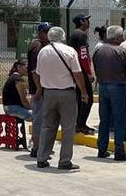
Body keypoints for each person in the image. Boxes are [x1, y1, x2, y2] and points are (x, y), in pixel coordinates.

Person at [33, 26, 89, 171]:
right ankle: (64, 161)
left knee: (47, 126)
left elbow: (37, 73)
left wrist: (40, 88)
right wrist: (83, 91)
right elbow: (77, 74)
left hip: (49, 93)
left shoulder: (43, 52)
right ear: (63, 37)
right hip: (67, 93)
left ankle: (42, 158)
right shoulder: (70, 51)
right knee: (68, 128)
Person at [93, 25, 126, 161]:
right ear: (117, 38)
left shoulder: (99, 51)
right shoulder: (121, 52)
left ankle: (102, 149)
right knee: (119, 119)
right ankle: (119, 151)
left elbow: (96, 68)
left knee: (104, 119)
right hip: (117, 86)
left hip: (103, 86)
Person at [69, 14, 95, 134]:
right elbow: (83, 55)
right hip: (81, 71)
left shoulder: (75, 34)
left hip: (75, 70)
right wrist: (89, 72)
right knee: (87, 99)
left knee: (80, 99)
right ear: (81, 21)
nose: (88, 22)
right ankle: (81, 124)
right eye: (86, 20)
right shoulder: (81, 35)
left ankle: (79, 123)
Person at [27, 22, 50, 157]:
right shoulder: (37, 47)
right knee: (39, 120)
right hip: (39, 88)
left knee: (43, 119)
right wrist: (39, 89)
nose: (48, 35)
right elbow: (35, 71)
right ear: (40, 33)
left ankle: (40, 145)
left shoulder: (43, 46)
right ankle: (36, 147)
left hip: (42, 87)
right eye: (46, 32)